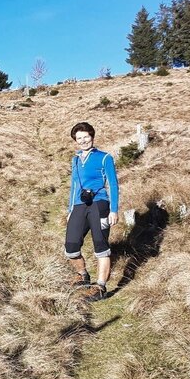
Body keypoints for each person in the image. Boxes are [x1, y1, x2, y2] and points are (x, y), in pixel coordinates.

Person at [65, 122, 119, 301]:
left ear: (92, 136)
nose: (83, 141)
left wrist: (114, 210)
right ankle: (82, 275)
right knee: (71, 247)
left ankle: (100, 287)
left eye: (86, 137)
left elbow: (113, 184)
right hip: (79, 205)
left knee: (101, 246)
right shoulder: (75, 159)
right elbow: (73, 186)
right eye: (79, 138)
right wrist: (70, 209)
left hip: (99, 204)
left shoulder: (105, 157)